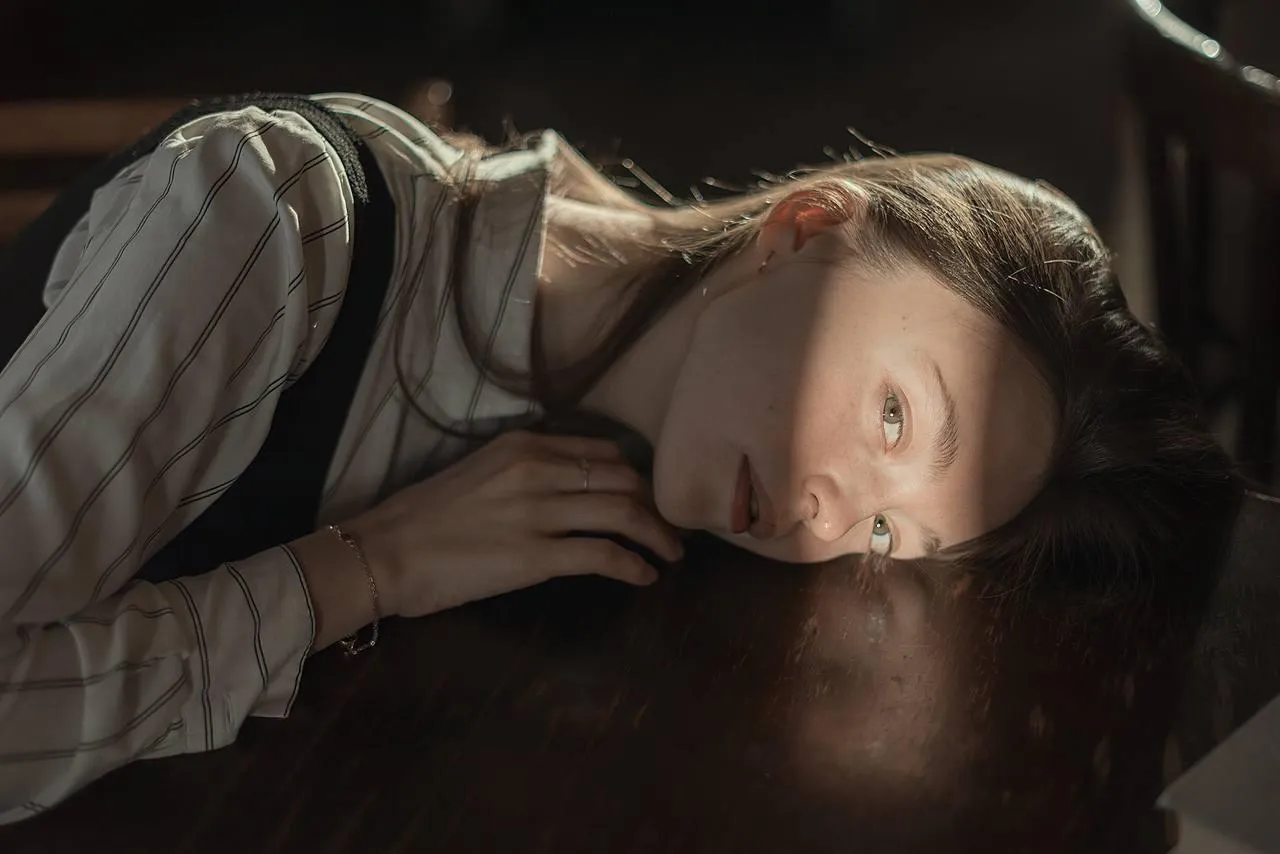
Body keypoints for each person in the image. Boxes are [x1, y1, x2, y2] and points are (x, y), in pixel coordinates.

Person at [0, 91, 1239, 822]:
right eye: (895, 419)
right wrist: (361, 570)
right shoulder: (269, 219)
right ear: (804, 227)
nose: (822, 513)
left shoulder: (631, 458)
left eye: (887, 534)